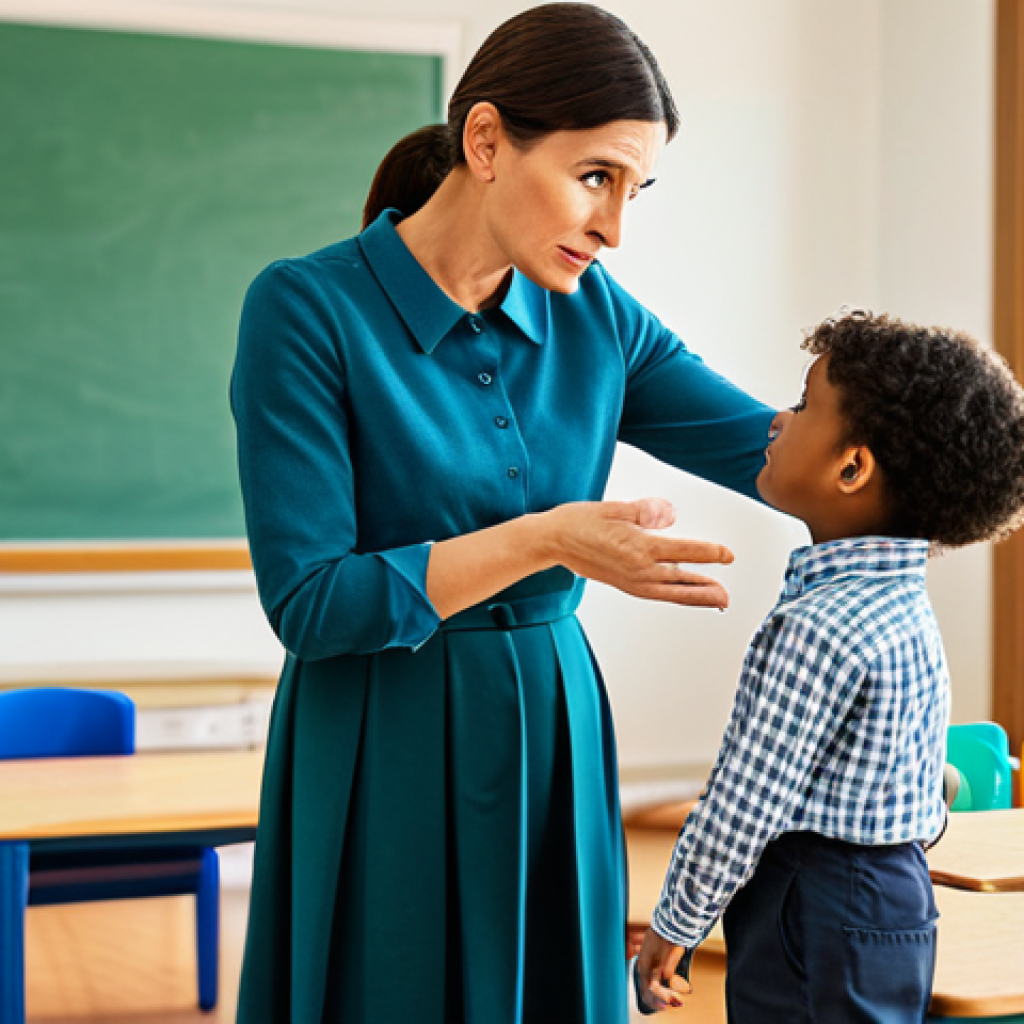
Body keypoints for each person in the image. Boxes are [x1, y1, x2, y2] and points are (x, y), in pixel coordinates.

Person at [230, 5, 776, 1022]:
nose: (614, 226)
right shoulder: (305, 310)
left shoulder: (596, 312)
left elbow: (778, 453)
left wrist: (935, 423)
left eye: (633, 189)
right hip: (375, 734)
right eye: (594, 178)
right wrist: (548, 538)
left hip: (550, 722)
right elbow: (312, 601)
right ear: (485, 141)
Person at [635, 310, 1024, 1022]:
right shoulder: (907, 610)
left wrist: (676, 923)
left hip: (814, 897)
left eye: (804, 405)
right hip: (896, 889)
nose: (776, 421)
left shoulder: (816, 627)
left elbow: (743, 807)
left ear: (852, 467)